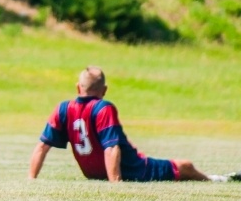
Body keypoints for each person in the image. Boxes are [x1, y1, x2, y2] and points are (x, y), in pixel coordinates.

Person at [28, 66, 240, 182]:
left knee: (183, 166)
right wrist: (116, 183)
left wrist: (32, 179)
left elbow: (41, 146)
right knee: (185, 166)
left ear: (78, 87)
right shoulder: (103, 108)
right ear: (104, 90)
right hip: (134, 169)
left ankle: (216, 178)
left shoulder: (63, 109)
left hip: (92, 173)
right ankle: (216, 180)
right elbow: (111, 148)